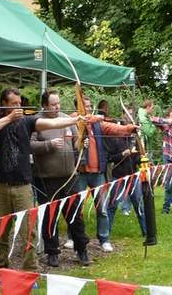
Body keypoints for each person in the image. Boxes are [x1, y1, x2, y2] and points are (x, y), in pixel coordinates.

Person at [0, 88, 84, 289]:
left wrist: (76, 120)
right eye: (13, 104)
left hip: (23, 185)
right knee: (1, 231)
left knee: (28, 231)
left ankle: (29, 273)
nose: (18, 107)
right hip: (1, 185)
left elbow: (52, 122)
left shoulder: (28, 121)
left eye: (19, 103)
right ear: (4, 104)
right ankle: (1, 272)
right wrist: (9, 117)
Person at [30, 90, 90, 267]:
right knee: (50, 216)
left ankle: (82, 250)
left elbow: (76, 143)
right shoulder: (36, 121)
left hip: (70, 178)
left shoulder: (66, 119)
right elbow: (29, 145)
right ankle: (52, 252)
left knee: (75, 216)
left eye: (58, 103)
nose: (57, 107)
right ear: (45, 105)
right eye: (53, 104)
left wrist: (82, 143)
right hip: (46, 179)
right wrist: (48, 145)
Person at [73, 96, 138, 252]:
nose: (88, 109)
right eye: (85, 106)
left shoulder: (97, 124)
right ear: (78, 108)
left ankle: (104, 239)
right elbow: (74, 119)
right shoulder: (74, 122)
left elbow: (113, 128)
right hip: (81, 172)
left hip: (98, 172)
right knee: (76, 209)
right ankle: (72, 237)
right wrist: (86, 118)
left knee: (102, 208)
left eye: (89, 106)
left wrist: (129, 128)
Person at [106, 105, 147, 236]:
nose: (129, 118)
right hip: (118, 176)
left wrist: (142, 155)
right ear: (122, 117)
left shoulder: (134, 137)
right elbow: (109, 158)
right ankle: (106, 235)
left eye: (131, 115)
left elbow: (138, 159)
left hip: (133, 176)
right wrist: (123, 154)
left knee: (139, 206)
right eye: (127, 115)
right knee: (112, 206)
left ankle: (147, 232)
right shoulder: (114, 137)